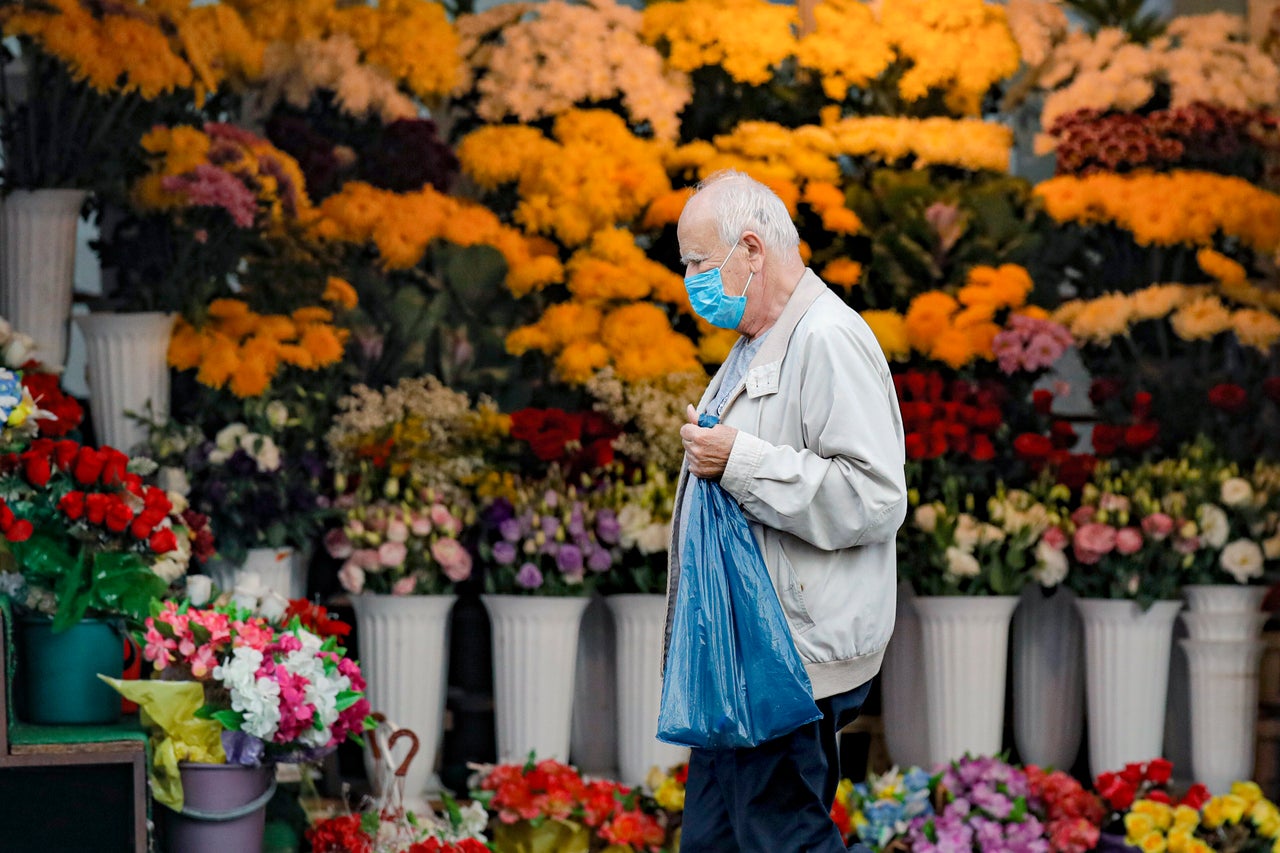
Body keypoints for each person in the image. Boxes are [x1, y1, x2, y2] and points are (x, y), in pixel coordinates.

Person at [667, 170, 907, 852]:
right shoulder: (759, 339)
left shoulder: (828, 337)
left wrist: (737, 458)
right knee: (717, 839)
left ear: (751, 249)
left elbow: (875, 496)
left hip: (789, 658)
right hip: (744, 653)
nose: (688, 279)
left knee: (780, 837)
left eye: (696, 262)